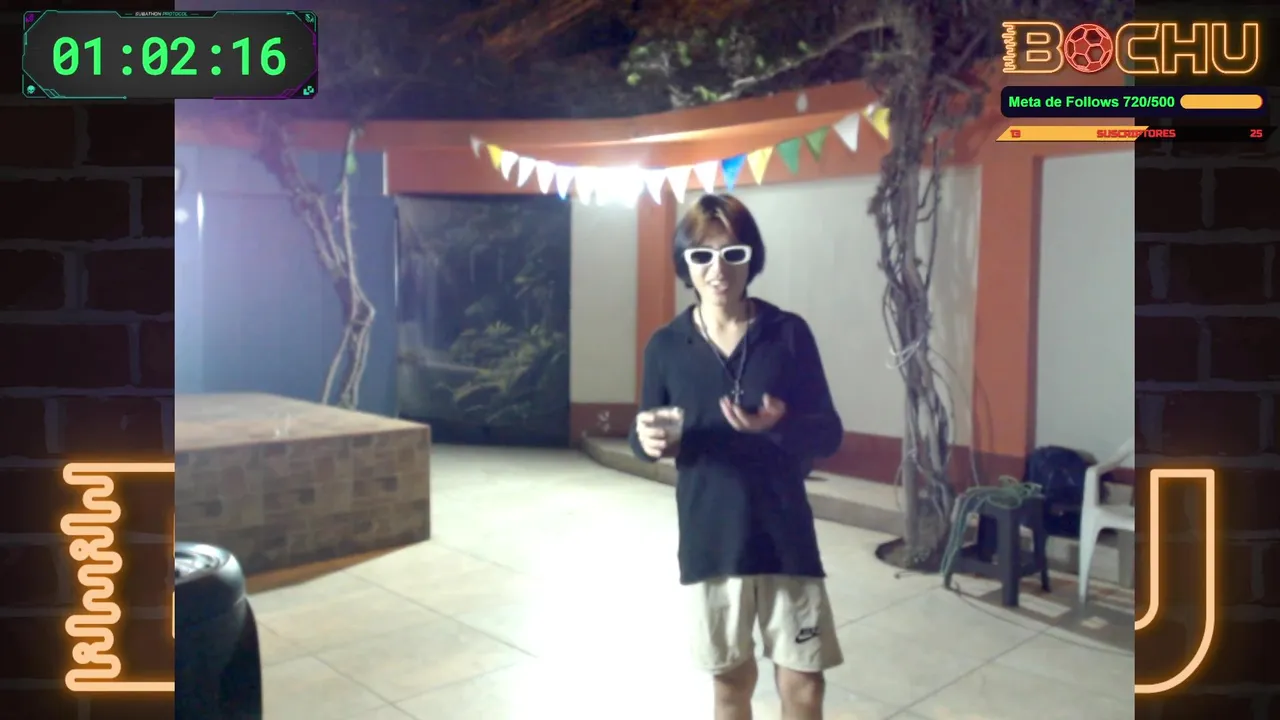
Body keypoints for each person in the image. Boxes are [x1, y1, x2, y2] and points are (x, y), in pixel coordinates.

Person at [630, 193, 845, 720]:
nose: (718, 269)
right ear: (686, 263)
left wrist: (780, 425)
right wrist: (649, 442)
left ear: (752, 258)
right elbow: (644, 432)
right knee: (730, 686)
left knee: (805, 684)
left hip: (786, 536)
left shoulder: (788, 334)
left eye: (733, 253)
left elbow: (828, 434)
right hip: (712, 539)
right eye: (702, 255)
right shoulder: (665, 346)